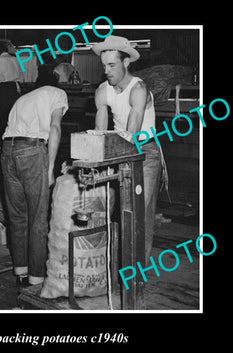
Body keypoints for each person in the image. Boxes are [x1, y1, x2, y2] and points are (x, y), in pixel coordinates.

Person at [92, 35, 162, 263]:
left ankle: (134, 271)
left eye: (112, 65)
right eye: (104, 66)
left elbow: (132, 135)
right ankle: (127, 265)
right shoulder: (103, 90)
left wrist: (115, 154)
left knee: (137, 211)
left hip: (145, 152)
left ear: (126, 62)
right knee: (128, 211)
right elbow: (100, 132)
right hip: (119, 148)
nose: (107, 71)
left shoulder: (138, 88)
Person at [1, 64, 69, 287]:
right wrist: (50, 169)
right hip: (31, 151)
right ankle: (36, 278)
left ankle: (20, 271)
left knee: (18, 216)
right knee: (38, 219)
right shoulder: (57, 93)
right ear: (61, 80)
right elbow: (55, 128)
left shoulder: (25, 97)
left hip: (7, 150)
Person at [0, 42, 22, 144]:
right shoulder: (15, 59)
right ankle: (15, 143)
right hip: (17, 89)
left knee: (4, 119)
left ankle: (4, 144)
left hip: (5, 90)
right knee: (15, 118)